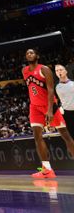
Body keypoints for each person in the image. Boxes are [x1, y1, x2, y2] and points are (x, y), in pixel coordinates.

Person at [22, 48, 74, 178]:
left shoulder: (44, 69)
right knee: (37, 136)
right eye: (27, 53)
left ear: (37, 56)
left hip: (49, 105)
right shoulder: (24, 71)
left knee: (65, 135)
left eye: (32, 52)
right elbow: (32, 89)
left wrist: (50, 109)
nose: (29, 54)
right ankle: (47, 169)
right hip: (34, 107)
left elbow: (51, 90)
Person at [55, 64, 74, 130]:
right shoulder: (56, 87)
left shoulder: (73, 83)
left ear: (66, 71)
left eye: (61, 70)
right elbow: (56, 100)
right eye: (57, 71)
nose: (59, 72)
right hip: (67, 114)